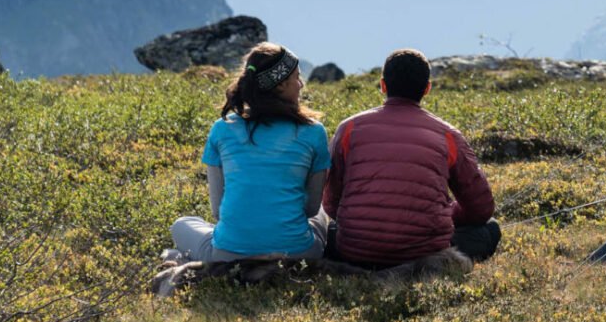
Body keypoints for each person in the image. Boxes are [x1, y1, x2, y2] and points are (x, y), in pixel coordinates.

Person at [324, 48, 500, 266]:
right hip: (425, 253)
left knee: (323, 229)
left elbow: (330, 203)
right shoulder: (448, 135)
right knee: (490, 229)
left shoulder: (348, 128)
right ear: (427, 89)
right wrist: (448, 213)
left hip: (355, 250)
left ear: (383, 85)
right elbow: (480, 209)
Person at [170, 43, 331, 263]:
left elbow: (217, 212)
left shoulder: (222, 128)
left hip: (229, 254)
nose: (301, 84)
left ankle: (194, 258)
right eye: (297, 77)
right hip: (297, 254)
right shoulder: (314, 132)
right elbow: (311, 209)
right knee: (322, 213)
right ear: (281, 85)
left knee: (181, 225)